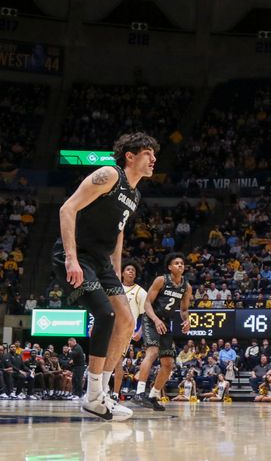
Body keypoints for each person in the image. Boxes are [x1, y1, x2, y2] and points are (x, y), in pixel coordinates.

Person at [51, 132, 157, 420]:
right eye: (148, 153)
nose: (154, 159)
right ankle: (93, 395)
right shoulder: (109, 174)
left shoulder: (135, 194)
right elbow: (67, 208)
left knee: (127, 320)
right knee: (106, 314)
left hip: (101, 262)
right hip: (76, 255)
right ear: (130, 156)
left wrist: (116, 272)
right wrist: (71, 258)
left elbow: (117, 233)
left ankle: (102, 392)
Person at [135, 252, 193, 411]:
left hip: (165, 322)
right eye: (176, 263)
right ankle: (139, 392)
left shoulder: (186, 286)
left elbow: (184, 309)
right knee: (152, 352)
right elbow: (147, 304)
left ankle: (153, 396)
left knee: (168, 364)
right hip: (151, 318)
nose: (180, 265)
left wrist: (186, 320)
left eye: (182, 263)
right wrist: (155, 320)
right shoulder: (161, 280)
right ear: (169, 267)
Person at [112, 261, 147, 400]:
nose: (131, 271)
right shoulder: (115, 287)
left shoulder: (140, 291)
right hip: (109, 326)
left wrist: (140, 331)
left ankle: (115, 394)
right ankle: (99, 392)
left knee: (117, 361)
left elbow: (147, 314)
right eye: (128, 269)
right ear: (122, 273)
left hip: (125, 330)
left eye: (133, 270)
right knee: (102, 359)